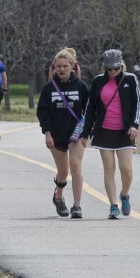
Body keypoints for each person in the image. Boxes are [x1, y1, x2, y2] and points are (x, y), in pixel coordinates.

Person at [80, 49, 140, 219]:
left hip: (125, 131)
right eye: (109, 69)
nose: (113, 72)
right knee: (109, 168)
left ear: (121, 65)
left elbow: (138, 103)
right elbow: (90, 108)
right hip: (104, 130)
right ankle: (113, 206)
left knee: (126, 168)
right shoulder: (98, 81)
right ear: (105, 67)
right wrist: (85, 133)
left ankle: (125, 194)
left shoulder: (130, 79)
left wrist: (134, 125)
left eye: (116, 68)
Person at [37, 47, 89, 219]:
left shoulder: (81, 86)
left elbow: (89, 111)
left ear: (72, 66)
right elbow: (43, 112)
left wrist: (86, 133)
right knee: (63, 172)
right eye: (58, 66)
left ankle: (77, 206)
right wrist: (47, 134)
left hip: (75, 134)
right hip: (56, 134)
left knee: (75, 164)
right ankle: (58, 197)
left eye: (65, 66)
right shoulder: (49, 88)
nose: (61, 69)